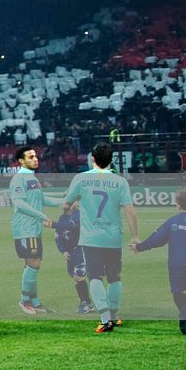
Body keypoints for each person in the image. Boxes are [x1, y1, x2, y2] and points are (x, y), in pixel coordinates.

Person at [63, 143, 138, 334]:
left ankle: (105, 319)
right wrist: (135, 236)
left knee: (94, 276)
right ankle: (114, 316)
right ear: (111, 160)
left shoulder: (80, 179)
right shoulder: (120, 181)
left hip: (91, 239)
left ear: (92, 159)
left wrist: (70, 207)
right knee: (114, 277)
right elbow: (130, 211)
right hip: (113, 237)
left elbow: (67, 204)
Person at [136, 188, 186, 333]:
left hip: (176, 263)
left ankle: (184, 312)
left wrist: (139, 247)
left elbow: (156, 240)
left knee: (179, 291)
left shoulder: (173, 222)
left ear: (178, 205)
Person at [9, 147, 51, 314]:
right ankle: (24, 300)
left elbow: (42, 199)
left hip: (34, 229)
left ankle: (34, 301)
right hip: (25, 228)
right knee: (34, 263)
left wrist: (65, 201)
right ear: (21, 160)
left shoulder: (32, 178)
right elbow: (19, 203)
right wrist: (42, 216)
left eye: (36, 156)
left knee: (33, 264)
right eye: (31, 157)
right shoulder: (19, 178)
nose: (35, 159)